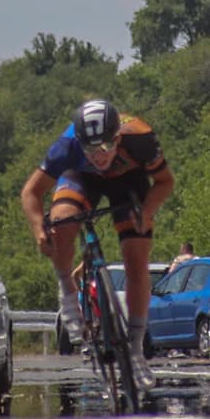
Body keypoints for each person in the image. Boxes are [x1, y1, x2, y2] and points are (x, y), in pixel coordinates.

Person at [21, 99, 175, 390]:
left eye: (105, 147)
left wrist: (148, 211)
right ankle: (66, 287)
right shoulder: (66, 147)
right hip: (81, 178)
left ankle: (136, 350)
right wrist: (38, 230)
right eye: (91, 149)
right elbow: (31, 192)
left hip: (128, 180)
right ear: (80, 143)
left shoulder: (141, 138)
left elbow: (165, 182)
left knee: (136, 257)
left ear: (117, 137)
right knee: (62, 219)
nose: (99, 155)